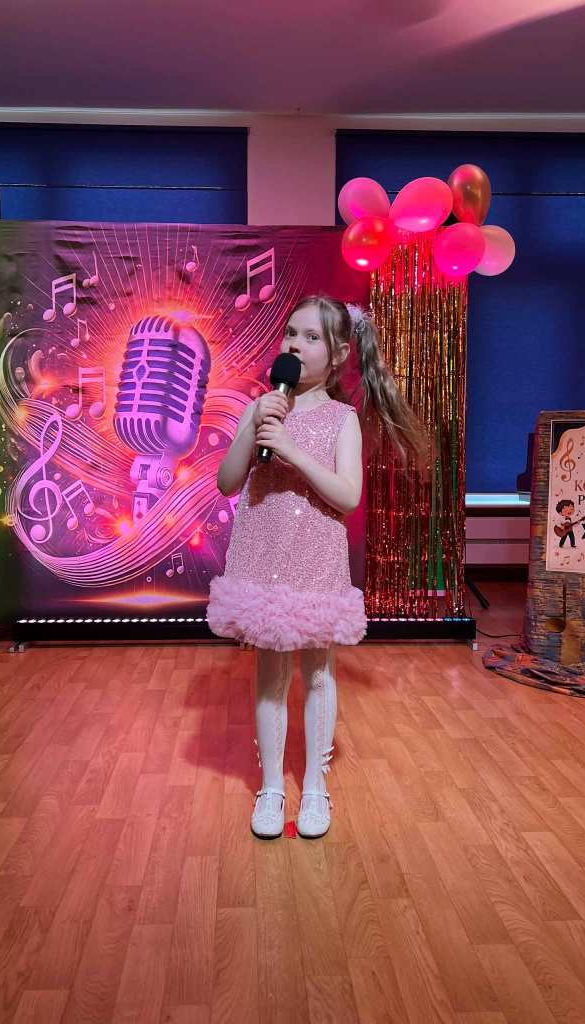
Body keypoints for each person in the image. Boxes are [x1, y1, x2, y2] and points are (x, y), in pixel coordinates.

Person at [207, 296, 429, 839]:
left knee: (319, 675)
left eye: (311, 338)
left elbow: (348, 496)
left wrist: (293, 451)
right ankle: (271, 788)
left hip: (315, 559)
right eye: (291, 333)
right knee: (269, 677)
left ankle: (314, 786)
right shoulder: (260, 408)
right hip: (263, 557)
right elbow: (227, 482)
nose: (295, 345)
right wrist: (254, 426)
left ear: (339, 355)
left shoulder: (342, 420)